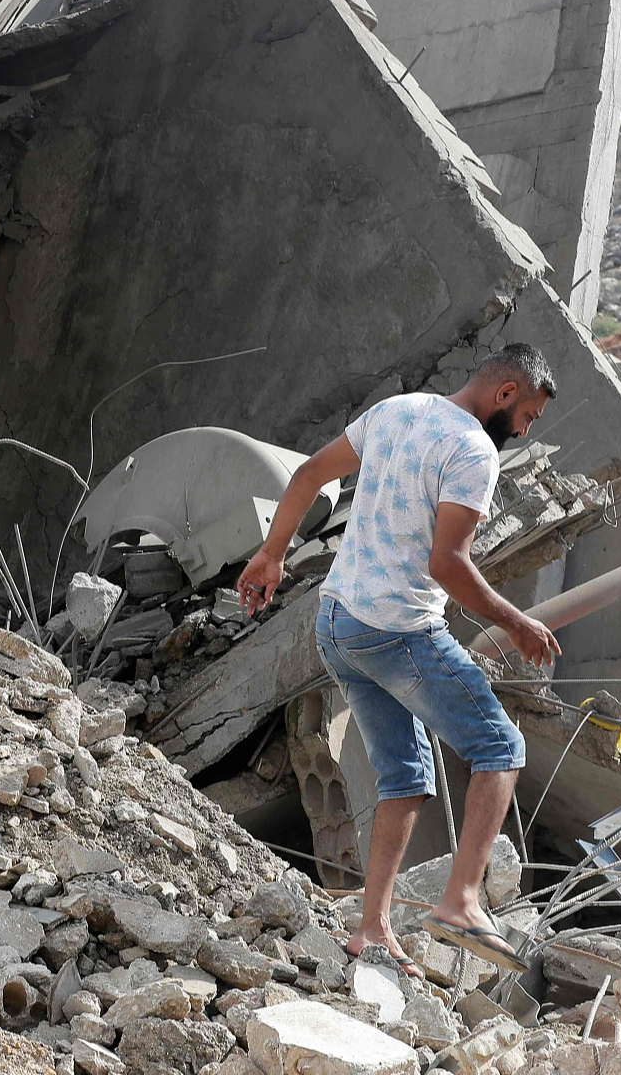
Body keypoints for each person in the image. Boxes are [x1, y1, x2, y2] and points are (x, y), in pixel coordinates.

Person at [235, 343, 560, 977]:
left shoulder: (398, 410)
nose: (524, 431)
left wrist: (272, 553)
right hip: (395, 629)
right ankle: (462, 901)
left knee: (406, 778)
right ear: (505, 394)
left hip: (338, 623)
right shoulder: (473, 451)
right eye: (529, 416)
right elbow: (448, 564)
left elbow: (308, 474)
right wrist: (516, 621)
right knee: (500, 749)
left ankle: (372, 928)